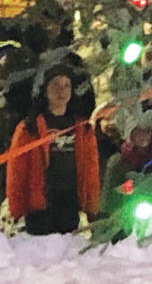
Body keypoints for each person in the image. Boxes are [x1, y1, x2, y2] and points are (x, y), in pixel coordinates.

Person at [5, 67, 99, 235]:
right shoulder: (29, 127)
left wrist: (91, 206)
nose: (61, 91)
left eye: (66, 85)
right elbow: (17, 170)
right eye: (55, 85)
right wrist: (17, 208)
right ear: (45, 89)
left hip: (70, 204)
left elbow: (91, 168)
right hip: (39, 208)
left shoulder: (82, 128)